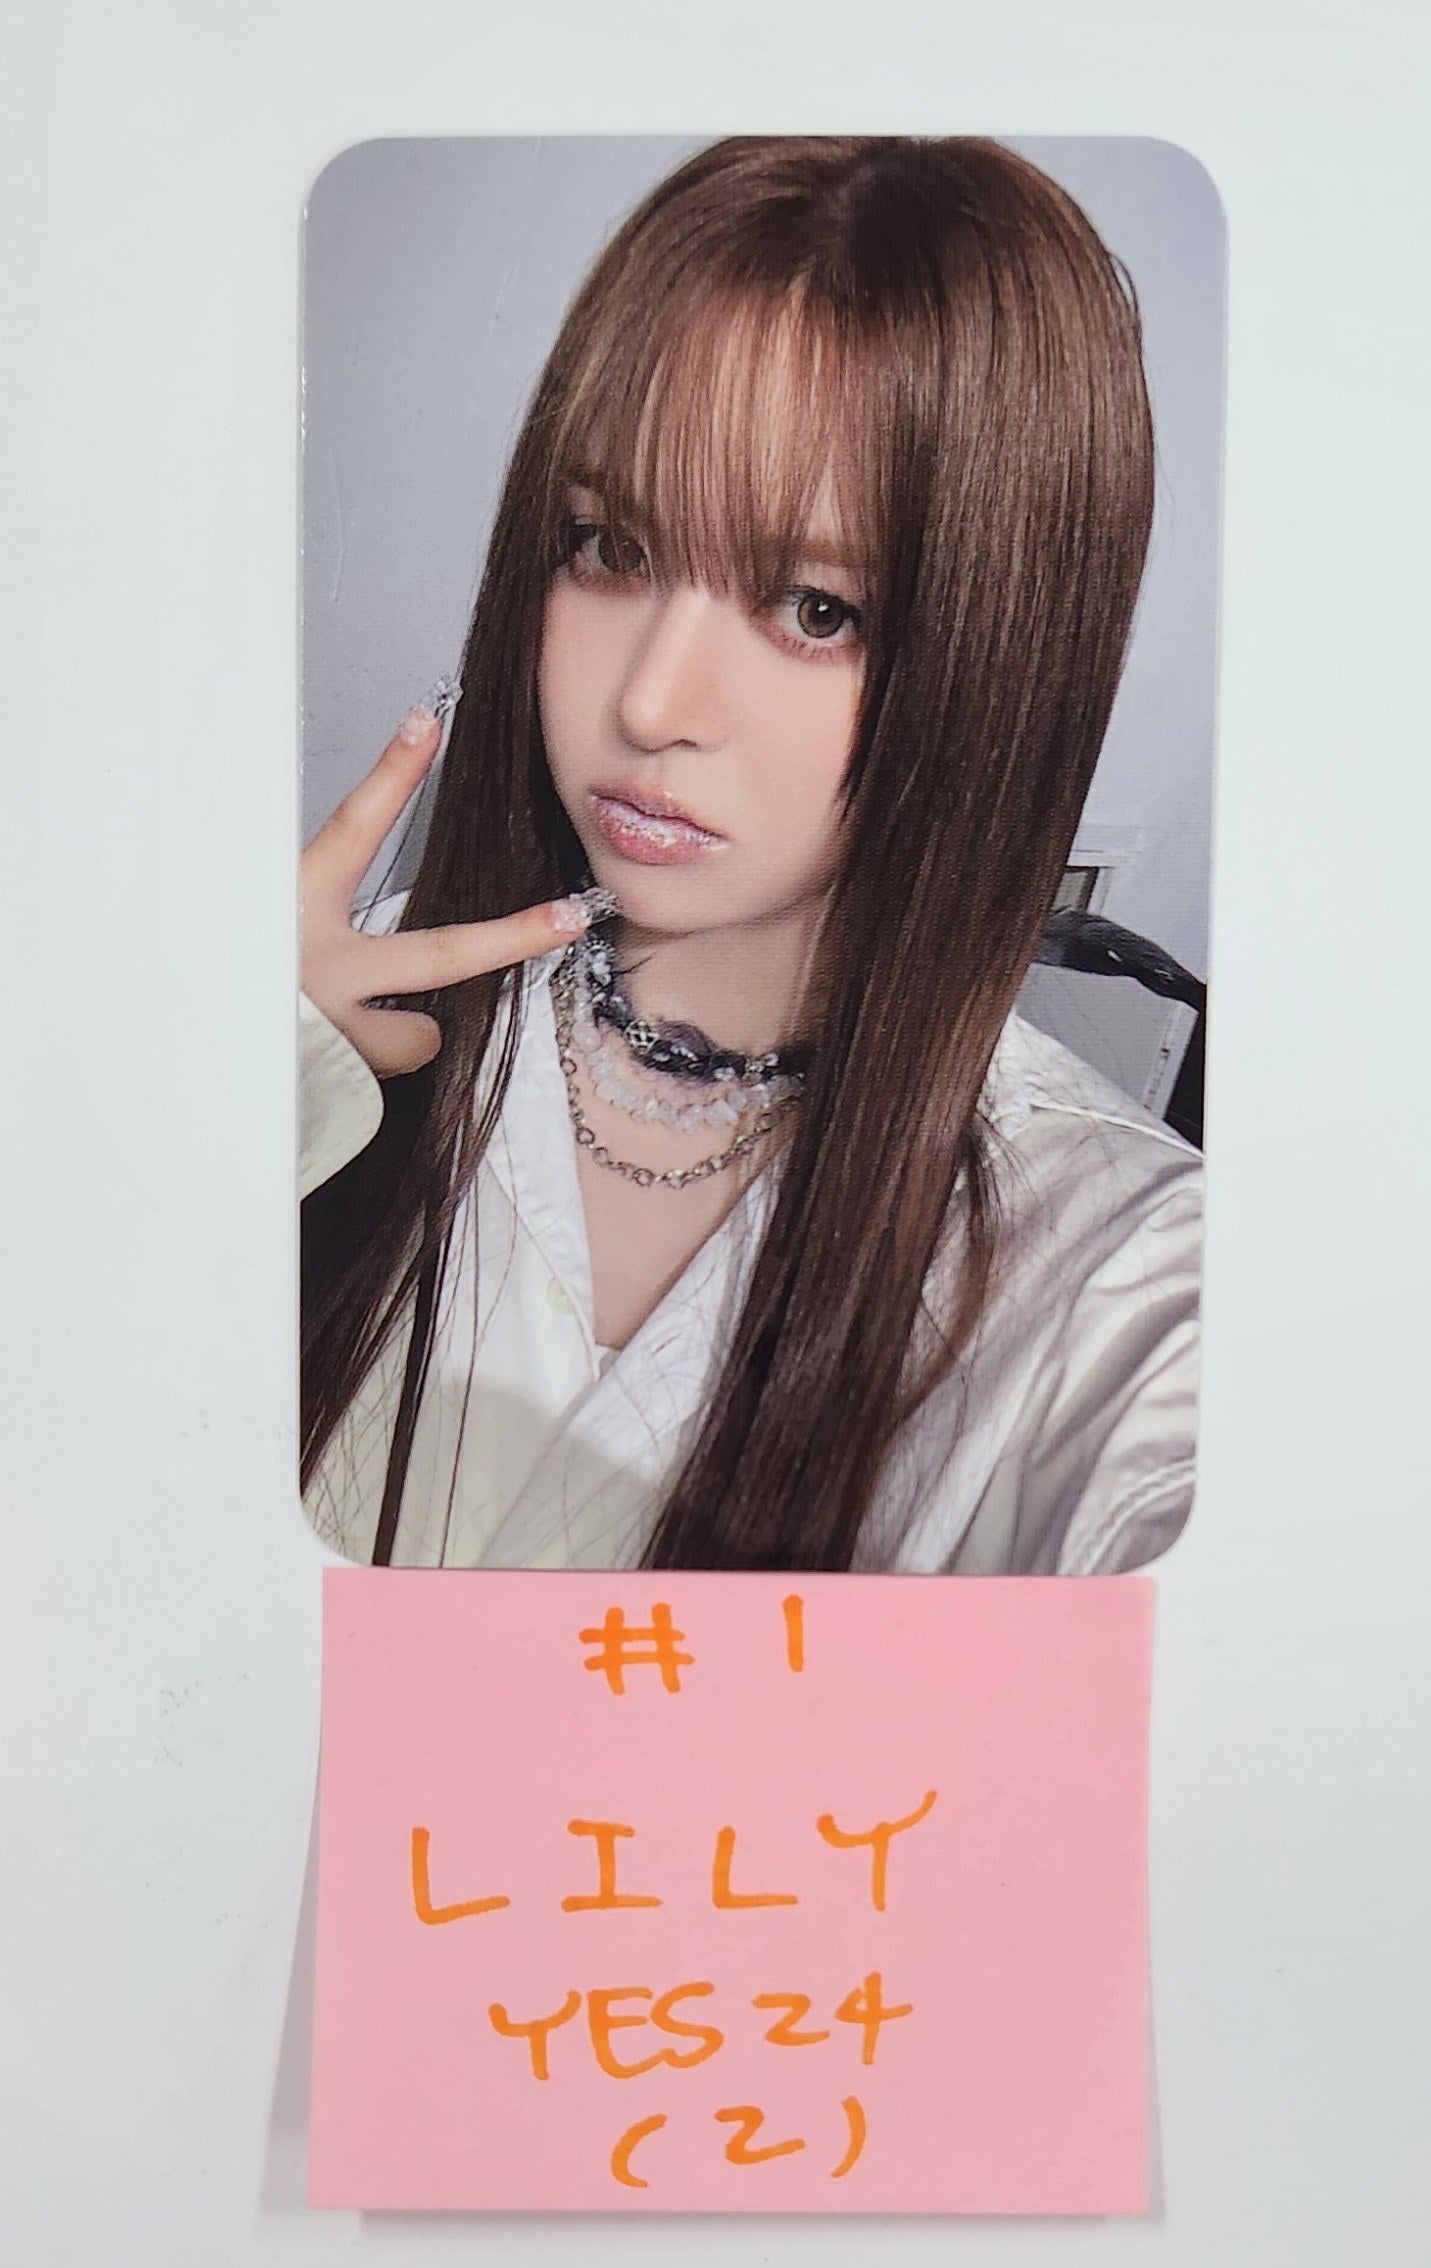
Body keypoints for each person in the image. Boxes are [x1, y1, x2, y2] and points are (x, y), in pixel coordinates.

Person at [299, 135, 1202, 1576]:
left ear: (1003, 659)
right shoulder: (358, 1000)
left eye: (815, 609)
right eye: (610, 548)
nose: (650, 703)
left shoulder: (1121, 1276)